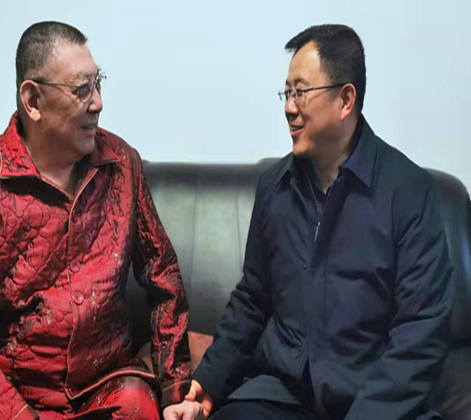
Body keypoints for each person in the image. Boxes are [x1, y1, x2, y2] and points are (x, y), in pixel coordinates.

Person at [0, 21, 202, 420]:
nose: (98, 102)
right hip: (9, 399)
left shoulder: (122, 165)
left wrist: (174, 389)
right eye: (82, 89)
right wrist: (16, 415)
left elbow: (163, 277)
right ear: (33, 100)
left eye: (98, 83)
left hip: (106, 390)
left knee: (138, 404)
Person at [186, 24, 453, 420]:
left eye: (301, 92)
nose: (289, 107)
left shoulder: (410, 192)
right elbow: (253, 300)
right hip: (282, 396)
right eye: (287, 93)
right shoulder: (274, 187)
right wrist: (207, 384)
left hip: (372, 401)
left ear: (345, 100)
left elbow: (421, 331)